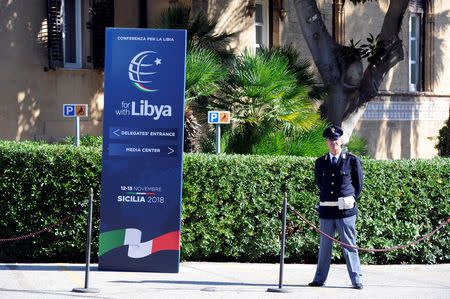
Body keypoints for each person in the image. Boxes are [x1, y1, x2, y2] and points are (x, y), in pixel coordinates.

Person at [308, 125, 364, 289]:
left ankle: (356, 279)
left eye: (336, 140)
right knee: (325, 247)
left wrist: (350, 200)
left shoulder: (352, 160)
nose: (334, 143)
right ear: (326, 142)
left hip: (345, 210)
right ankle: (319, 279)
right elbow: (320, 184)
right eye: (330, 140)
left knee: (349, 245)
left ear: (341, 140)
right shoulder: (320, 162)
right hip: (326, 210)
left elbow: (358, 186)